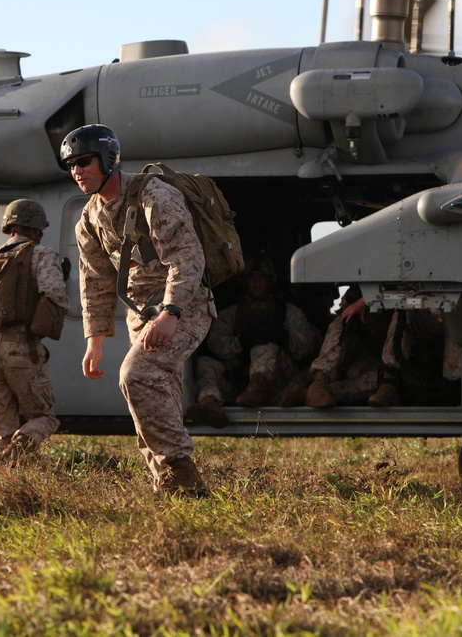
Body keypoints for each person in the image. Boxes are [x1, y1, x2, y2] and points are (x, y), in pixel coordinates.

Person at [63, 124, 215, 497]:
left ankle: (181, 472)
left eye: (85, 161)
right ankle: (167, 484)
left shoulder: (153, 195)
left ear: (108, 159)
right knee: (158, 396)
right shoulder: (89, 218)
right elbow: (95, 281)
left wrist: (171, 312)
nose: (77, 170)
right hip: (142, 315)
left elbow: (187, 256)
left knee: (137, 374)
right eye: (71, 165)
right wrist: (94, 340)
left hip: (185, 305)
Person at [0, 199, 69, 465]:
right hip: (23, 347)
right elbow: (55, 294)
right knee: (44, 417)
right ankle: (23, 443)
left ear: (9, 226)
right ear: (36, 229)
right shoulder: (41, 254)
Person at [186, 255, 317, 425]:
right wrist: (241, 342)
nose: (256, 282)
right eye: (251, 278)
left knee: (264, 346)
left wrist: (283, 338)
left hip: (281, 378)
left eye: (261, 277)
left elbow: (308, 345)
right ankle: (210, 404)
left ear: (270, 281)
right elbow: (215, 343)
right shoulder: (231, 314)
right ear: (244, 282)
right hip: (241, 384)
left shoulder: (289, 312)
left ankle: (261, 388)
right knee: (204, 363)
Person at [305, 284, 390, 408]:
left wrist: (365, 301)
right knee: (344, 322)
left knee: (377, 381)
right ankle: (319, 384)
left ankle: (307, 394)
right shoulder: (352, 300)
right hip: (341, 358)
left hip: (366, 360)